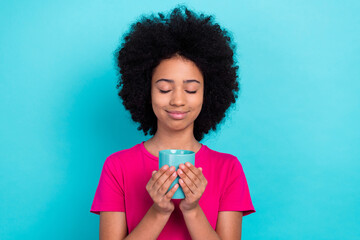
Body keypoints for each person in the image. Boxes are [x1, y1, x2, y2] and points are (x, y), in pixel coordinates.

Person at [90, 5, 255, 240]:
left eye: (191, 89)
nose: (178, 100)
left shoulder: (228, 168)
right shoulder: (117, 167)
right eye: (165, 88)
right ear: (145, 91)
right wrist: (159, 211)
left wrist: (192, 209)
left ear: (207, 94)